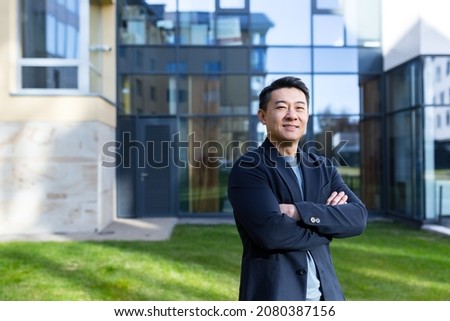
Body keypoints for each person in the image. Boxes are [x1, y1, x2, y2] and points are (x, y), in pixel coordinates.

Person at [227, 76, 368, 301]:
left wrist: (298, 212)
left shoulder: (322, 167)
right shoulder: (249, 168)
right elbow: (272, 234)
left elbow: (357, 218)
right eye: (281, 107)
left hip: (328, 297)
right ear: (263, 116)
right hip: (276, 297)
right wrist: (329, 226)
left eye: (300, 108)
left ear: (307, 116)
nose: (292, 115)